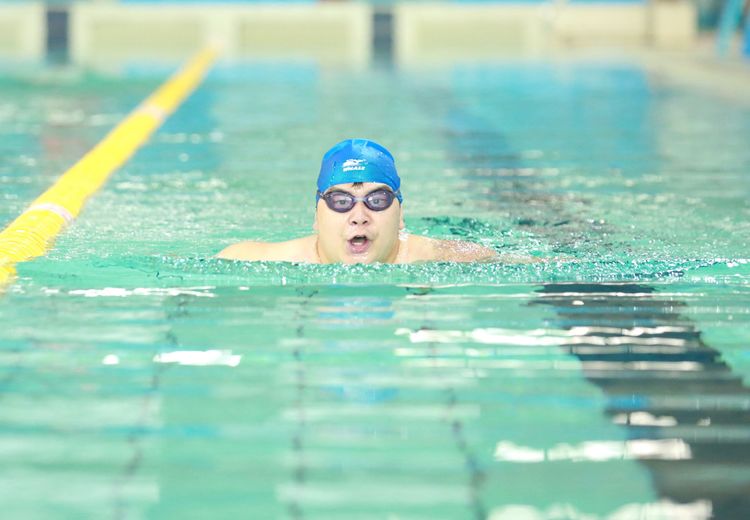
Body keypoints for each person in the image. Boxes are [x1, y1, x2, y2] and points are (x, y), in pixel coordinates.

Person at [217, 138, 502, 264]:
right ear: (316, 216)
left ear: (400, 215)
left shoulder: (446, 258)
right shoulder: (252, 259)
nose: (359, 216)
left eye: (377, 200)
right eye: (341, 201)